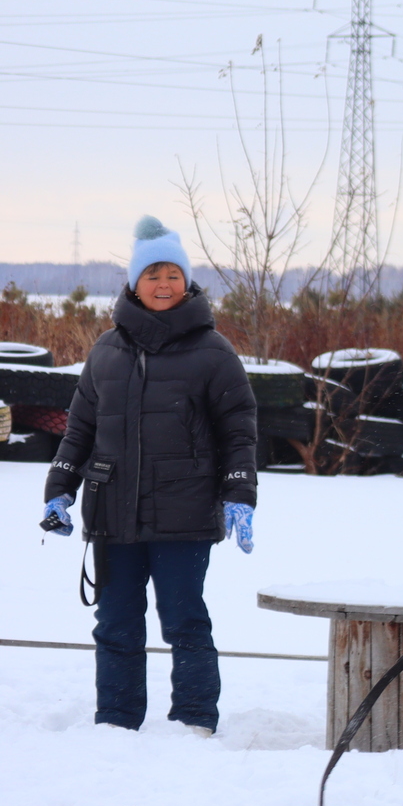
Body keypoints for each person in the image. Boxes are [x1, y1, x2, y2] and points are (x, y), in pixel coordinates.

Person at [41, 217, 258, 735]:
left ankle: (195, 720)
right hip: (114, 514)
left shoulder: (213, 351)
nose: (164, 285)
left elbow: (239, 431)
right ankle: (115, 722)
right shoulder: (106, 351)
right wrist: (59, 490)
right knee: (115, 624)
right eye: (153, 275)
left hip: (185, 514)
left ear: (187, 282)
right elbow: (81, 430)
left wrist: (240, 494)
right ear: (134, 283)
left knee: (185, 621)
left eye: (173, 276)